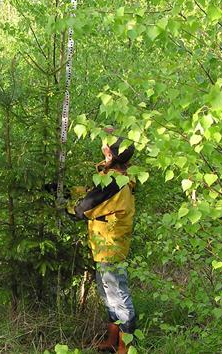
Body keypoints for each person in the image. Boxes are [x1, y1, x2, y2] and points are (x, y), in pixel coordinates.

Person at [70, 137, 136, 354]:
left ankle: (125, 347)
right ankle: (112, 341)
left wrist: (66, 205)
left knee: (118, 296)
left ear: (111, 154)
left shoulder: (115, 182)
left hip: (110, 247)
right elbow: (91, 192)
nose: (102, 149)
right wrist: (68, 191)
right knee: (109, 295)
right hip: (105, 246)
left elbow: (84, 207)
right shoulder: (115, 177)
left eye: (105, 147)